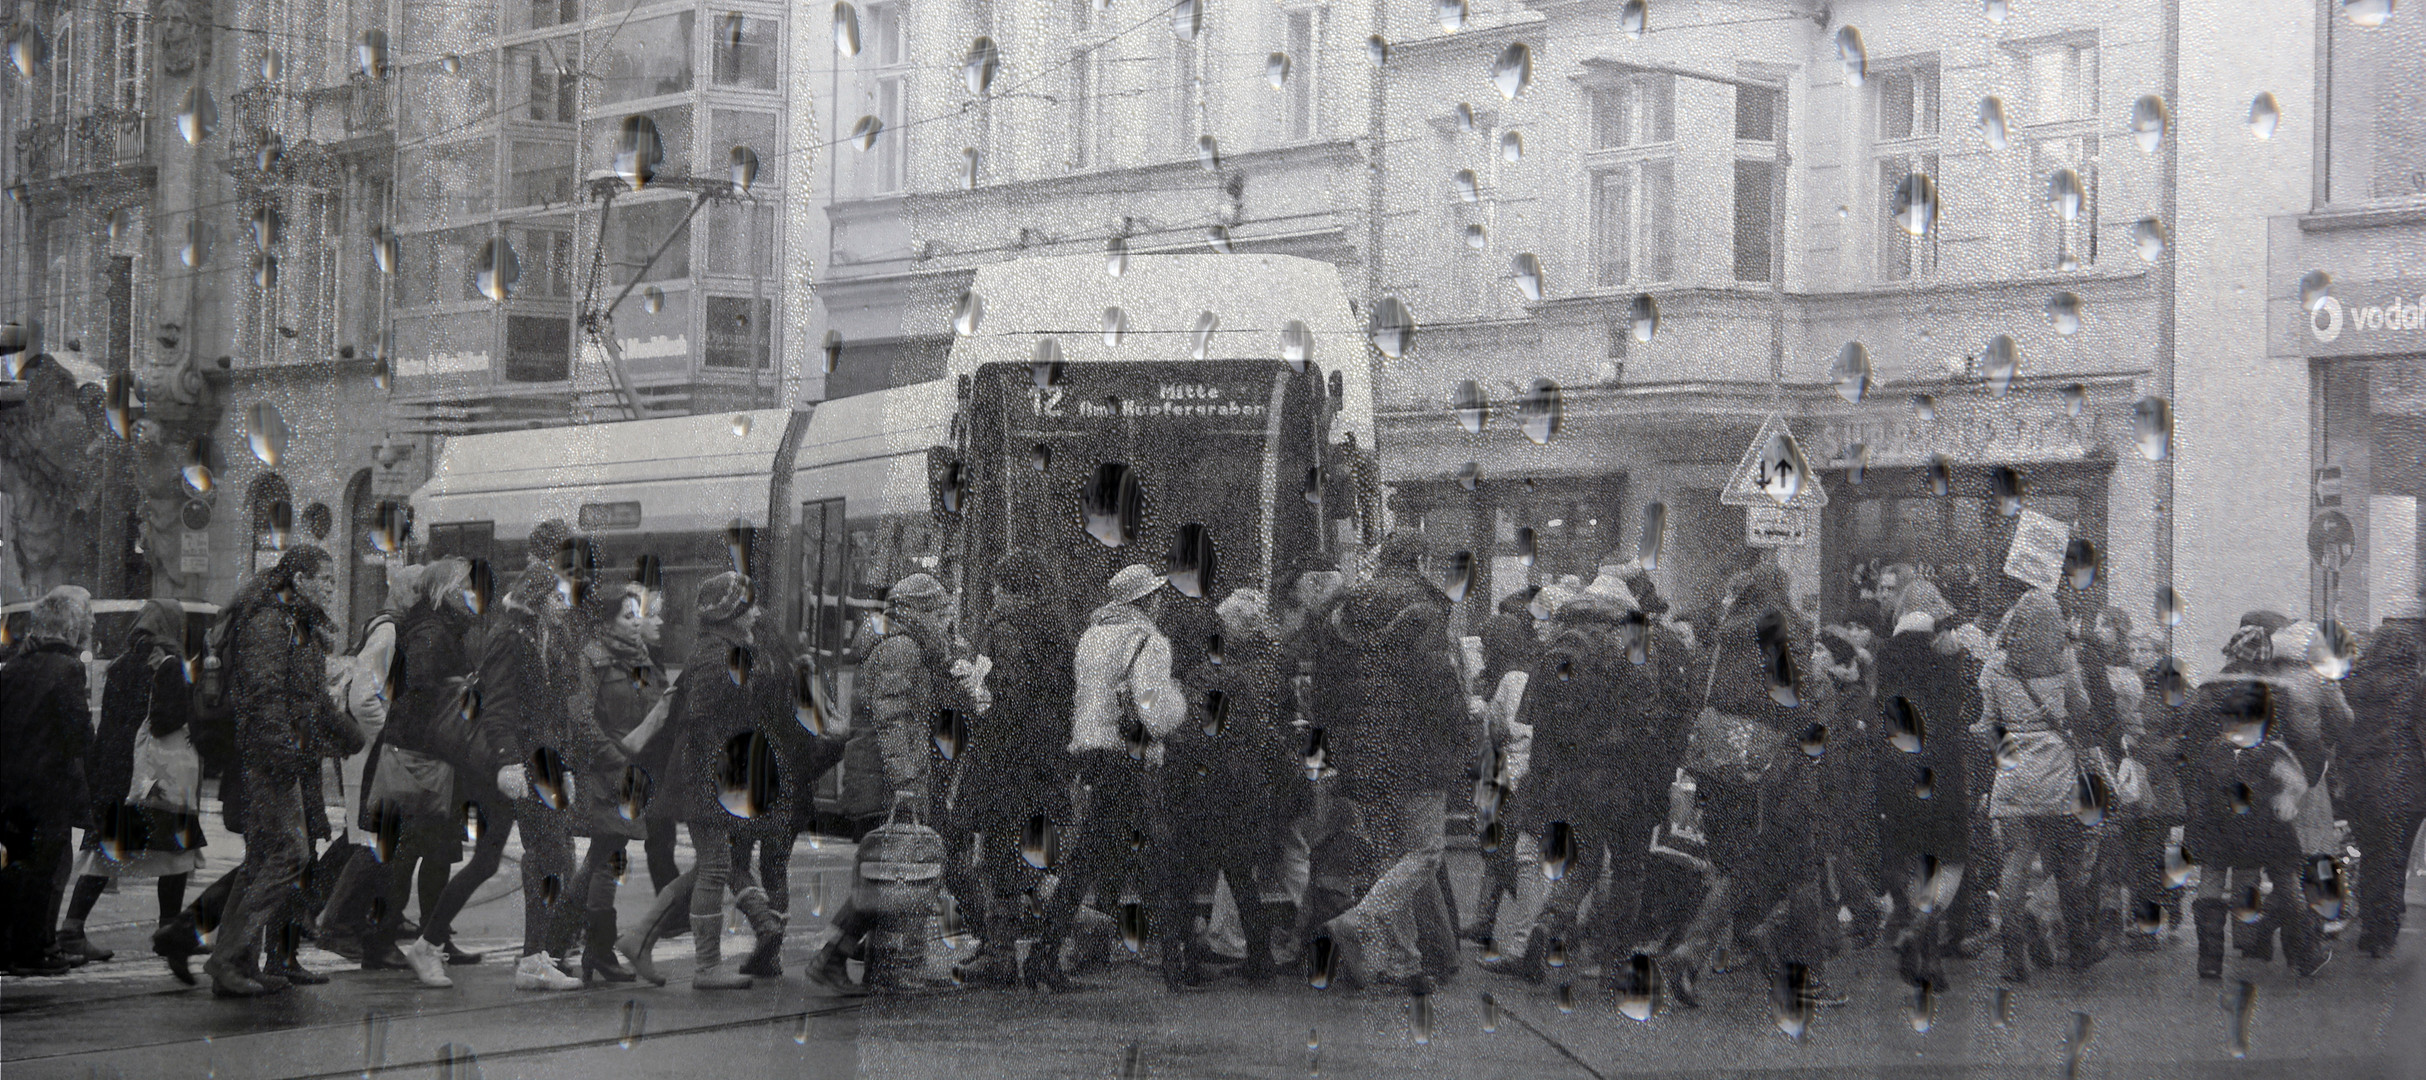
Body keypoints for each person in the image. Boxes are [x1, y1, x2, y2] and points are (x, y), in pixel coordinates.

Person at [204, 546, 366, 997]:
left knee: (261, 859)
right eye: (326, 580)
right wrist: (283, 752)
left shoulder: (299, 624)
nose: (332, 589)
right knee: (289, 854)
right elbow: (265, 695)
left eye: (334, 580)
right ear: (298, 577)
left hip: (287, 753)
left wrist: (348, 733)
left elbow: (309, 699)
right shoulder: (271, 623)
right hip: (272, 757)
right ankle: (227, 957)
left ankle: (239, 962)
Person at [1312, 536, 1471, 991]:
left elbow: (1327, 690)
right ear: (1420, 562)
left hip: (1366, 750)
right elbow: (1437, 686)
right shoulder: (1422, 610)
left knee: (1390, 854)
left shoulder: (1347, 610)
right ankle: (1362, 921)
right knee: (1425, 851)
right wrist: (1460, 733)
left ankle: (1404, 960)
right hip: (1416, 750)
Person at [1030, 564, 1188, 990]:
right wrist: (1179, 706)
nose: (1160, 601)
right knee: (1153, 855)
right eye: (1156, 595)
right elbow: (1155, 710)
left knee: (1091, 856)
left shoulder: (1091, 636)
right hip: (1129, 756)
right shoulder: (1148, 641)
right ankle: (1176, 965)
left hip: (1094, 754)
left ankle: (1044, 957)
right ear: (1145, 601)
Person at [659, 572, 820, 989]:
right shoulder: (717, 657)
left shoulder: (731, 651)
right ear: (729, 614)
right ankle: (707, 966)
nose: (755, 613)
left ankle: (733, 946)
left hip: (720, 776)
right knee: (715, 868)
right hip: (710, 778)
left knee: (721, 865)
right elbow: (706, 723)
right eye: (747, 606)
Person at [807, 571, 962, 992]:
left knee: (885, 879)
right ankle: (857, 963)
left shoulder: (895, 644)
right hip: (884, 781)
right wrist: (907, 782)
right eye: (943, 611)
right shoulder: (902, 649)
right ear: (924, 611)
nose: (948, 620)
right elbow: (893, 719)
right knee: (889, 881)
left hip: (875, 777)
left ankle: (873, 966)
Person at [55, 599, 205, 972]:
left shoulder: (121, 665)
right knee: (175, 853)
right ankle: (167, 930)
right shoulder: (170, 663)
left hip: (121, 773)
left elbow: (109, 724)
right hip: (157, 774)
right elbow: (165, 719)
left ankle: (72, 928)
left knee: (108, 853)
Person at [952, 550, 1079, 987]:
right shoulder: (1060, 631)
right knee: (1036, 855)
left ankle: (1000, 958)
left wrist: (972, 686)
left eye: (998, 589)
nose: (994, 597)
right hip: (1047, 761)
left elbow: (1003, 694)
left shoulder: (1003, 630)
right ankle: (1058, 945)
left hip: (1006, 762)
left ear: (1013, 591)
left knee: (1000, 857)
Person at [1155, 587, 1293, 988]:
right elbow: (1254, 732)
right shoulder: (1234, 676)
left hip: (1197, 788)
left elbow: (1183, 734)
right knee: (1239, 876)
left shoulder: (1184, 681)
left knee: (1183, 876)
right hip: (1235, 788)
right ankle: (1260, 960)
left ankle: (1184, 962)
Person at [2182, 625, 2333, 979]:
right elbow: (2303, 746)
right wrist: (2297, 789)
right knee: (2285, 875)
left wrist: (2201, 790)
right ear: (2266, 658)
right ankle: (2303, 951)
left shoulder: (2206, 691)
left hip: (2216, 807)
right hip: (2263, 807)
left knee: (2213, 877)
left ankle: (2209, 962)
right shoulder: (2278, 692)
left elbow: (2188, 746)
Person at [1970, 589, 2105, 983]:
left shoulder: (1995, 666)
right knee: (2066, 863)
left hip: (2012, 768)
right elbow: (2080, 709)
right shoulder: (2064, 661)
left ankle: (2013, 957)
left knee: (2016, 859)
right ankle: (2081, 947)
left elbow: (1986, 722)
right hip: (2056, 772)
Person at [394, 553, 505, 988]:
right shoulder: (431, 632)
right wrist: (459, 692)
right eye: (464, 587)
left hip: (441, 755)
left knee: (439, 850)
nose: (473, 595)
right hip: (429, 755)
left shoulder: (452, 629)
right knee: (421, 849)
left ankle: (431, 936)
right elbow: (421, 693)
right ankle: (412, 939)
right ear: (444, 591)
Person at [1871, 607, 1974, 990]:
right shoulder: (1943, 666)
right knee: (1949, 861)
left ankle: (1929, 961)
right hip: (1940, 778)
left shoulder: (1886, 669)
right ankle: (1919, 927)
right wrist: (1955, 659)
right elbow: (1965, 710)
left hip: (1896, 778)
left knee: (1913, 862)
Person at [0, 586, 97, 976]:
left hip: (11, 786)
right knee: (41, 872)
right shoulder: (68, 668)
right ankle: (31, 952)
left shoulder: (15, 667)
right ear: (71, 627)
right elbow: (78, 733)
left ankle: (10, 949)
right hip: (47, 786)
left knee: (15, 869)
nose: (89, 625)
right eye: (85, 619)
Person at [2339, 618, 2425, 958]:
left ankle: (2373, 922)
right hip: (2407, 782)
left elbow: (2341, 732)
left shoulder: (2352, 684)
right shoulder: (2416, 686)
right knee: (2395, 856)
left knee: (2372, 851)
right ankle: (2383, 928)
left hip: (2361, 781)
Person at [1462, 589, 1540, 947]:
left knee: (1495, 847)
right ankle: (1488, 919)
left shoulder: (1508, 679)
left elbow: (1495, 730)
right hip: (1517, 770)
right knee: (1504, 847)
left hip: (1501, 770)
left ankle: (1490, 920)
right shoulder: (1533, 670)